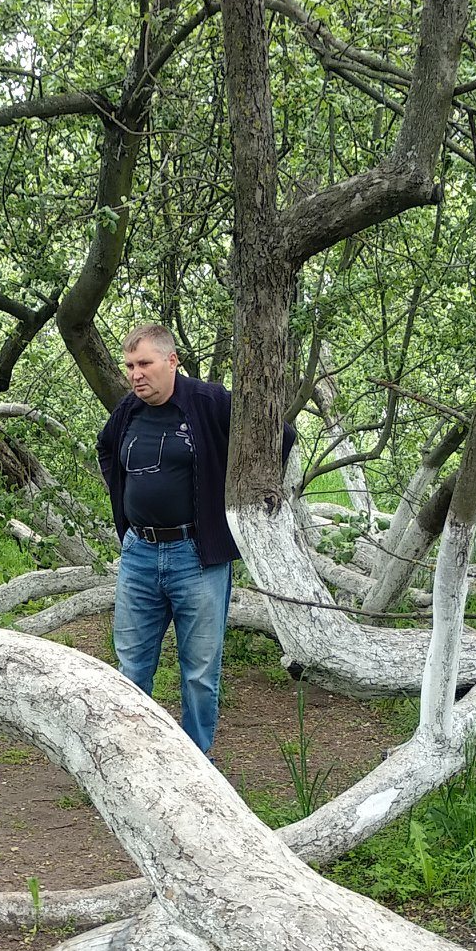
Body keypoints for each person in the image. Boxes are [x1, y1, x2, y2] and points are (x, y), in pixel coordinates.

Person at [95, 323, 290, 754]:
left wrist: (248, 491)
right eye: (129, 366)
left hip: (196, 558)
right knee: (131, 668)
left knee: (200, 674)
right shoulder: (128, 411)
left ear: (171, 361)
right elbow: (106, 448)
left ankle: (195, 763)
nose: (135, 374)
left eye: (144, 363)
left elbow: (279, 434)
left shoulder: (209, 403)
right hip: (139, 555)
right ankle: (135, 758)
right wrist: (124, 506)